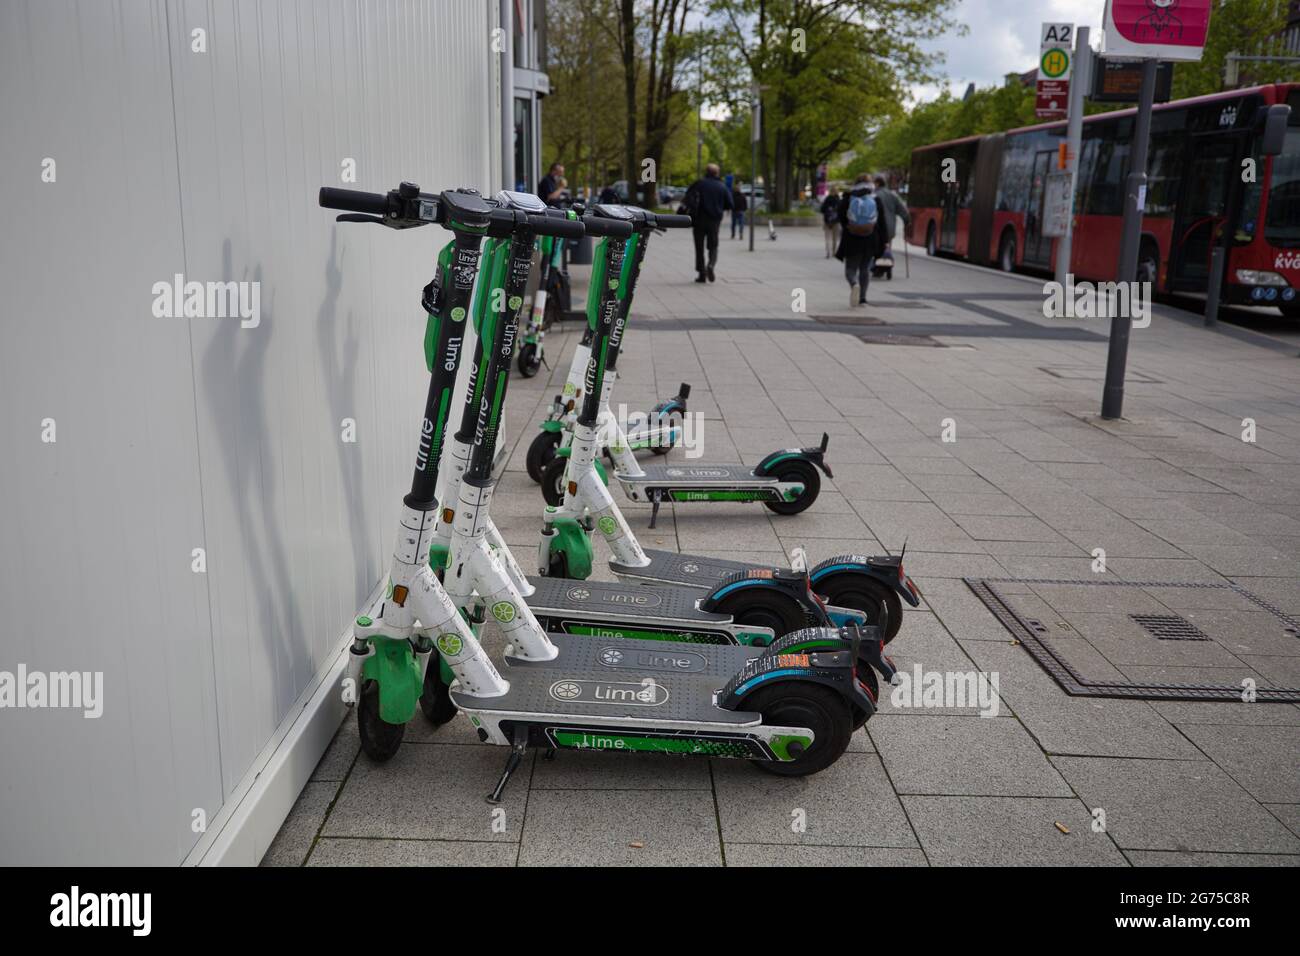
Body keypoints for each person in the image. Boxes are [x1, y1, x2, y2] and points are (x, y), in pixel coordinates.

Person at [835, 174, 890, 307]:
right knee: (865, 268)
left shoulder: (848, 197)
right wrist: (885, 240)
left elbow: (841, 215)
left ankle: (854, 284)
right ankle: (863, 298)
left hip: (851, 238)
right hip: (870, 239)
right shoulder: (875, 199)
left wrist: (848, 226)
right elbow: (882, 222)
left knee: (850, 269)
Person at [683, 163, 732, 282]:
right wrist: (719, 208)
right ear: (717, 173)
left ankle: (702, 274)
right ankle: (711, 265)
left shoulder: (699, 184)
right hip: (714, 221)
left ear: (706, 171)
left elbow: (687, 197)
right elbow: (730, 204)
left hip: (699, 219)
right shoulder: (722, 186)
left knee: (699, 247)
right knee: (713, 245)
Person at [873, 175, 910, 268]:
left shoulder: (874, 195)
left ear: (877, 183)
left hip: (876, 227)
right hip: (889, 227)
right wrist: (907, 220)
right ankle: (886, 263)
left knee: (875, 245)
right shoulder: (893, 195)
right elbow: (903, 210)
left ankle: (876, 265)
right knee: (887, 245)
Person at [820, 188, 840, 258]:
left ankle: (828, 252)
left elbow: (822, 210)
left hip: (827, 221)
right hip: (836, 221)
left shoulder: (827, 199)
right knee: (835, 238)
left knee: (827, 237)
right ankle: (834, 252)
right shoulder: (838, 200)